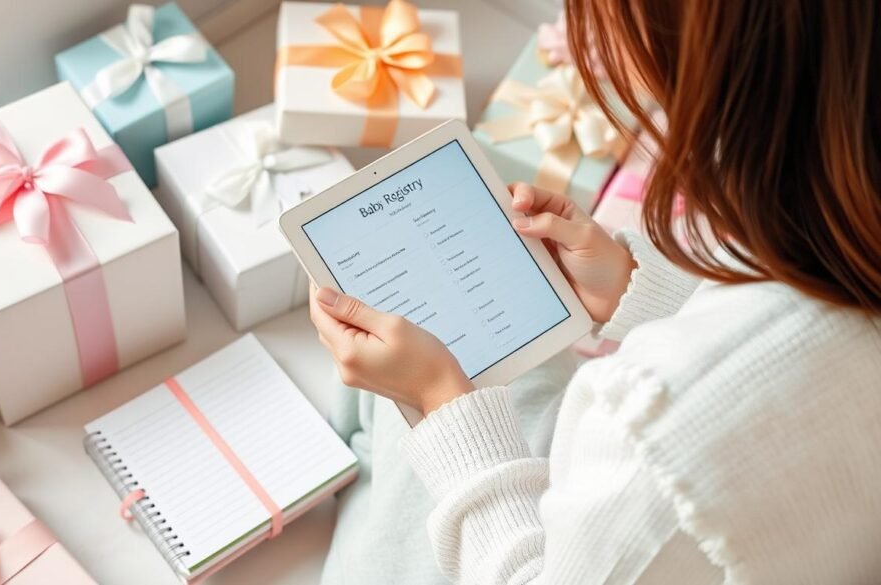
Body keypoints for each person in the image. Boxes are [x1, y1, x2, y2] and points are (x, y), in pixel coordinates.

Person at [310, 1, 881, 583]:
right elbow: (778, 319)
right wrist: (638, 289)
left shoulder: (646, 433)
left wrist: (440, 401)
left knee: (394, 413)